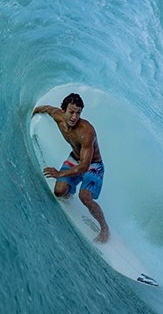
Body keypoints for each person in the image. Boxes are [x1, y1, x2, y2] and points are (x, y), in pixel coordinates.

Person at [32, 93, 110, 243]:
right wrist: (34, 111)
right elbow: (46, 108)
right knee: (59, 191)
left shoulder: (87, 132)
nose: (74, 117)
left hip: (93, 165)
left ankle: (105, 229)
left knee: (85, 197)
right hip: (75, 158)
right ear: (63, 110)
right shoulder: (57, 116)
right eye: (71, 112)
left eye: (78, 113)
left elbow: (84, 166)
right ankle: (70, 195)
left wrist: (60, 173)